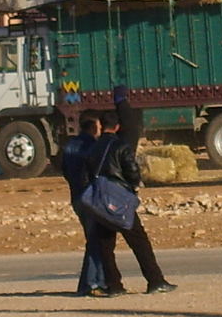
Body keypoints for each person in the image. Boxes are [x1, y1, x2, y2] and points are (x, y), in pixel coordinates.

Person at [85, 112, 176, 296]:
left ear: (101, 126)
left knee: (105, 246)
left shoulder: (93, 148)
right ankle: (155, 280)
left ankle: (114, 286)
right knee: (140, 242)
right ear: (117, 127)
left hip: (100, 201)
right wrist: (134, 186)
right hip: (119, 201)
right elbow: (132, 170)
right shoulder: (121, 145)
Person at [62, 116, 106, 296]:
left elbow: (66, 171)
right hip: (90, 197)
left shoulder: (69, 146)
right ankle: (92, 283)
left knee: (93, 239)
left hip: (76, 196)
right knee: (96, 240)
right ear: (93, 127)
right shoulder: (92, 146)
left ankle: (91, 282)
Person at [113, 85, 140, 157]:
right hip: (131, 136)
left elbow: (124, 124)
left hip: (127, 137)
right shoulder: (125, 106)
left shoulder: (122, 107)